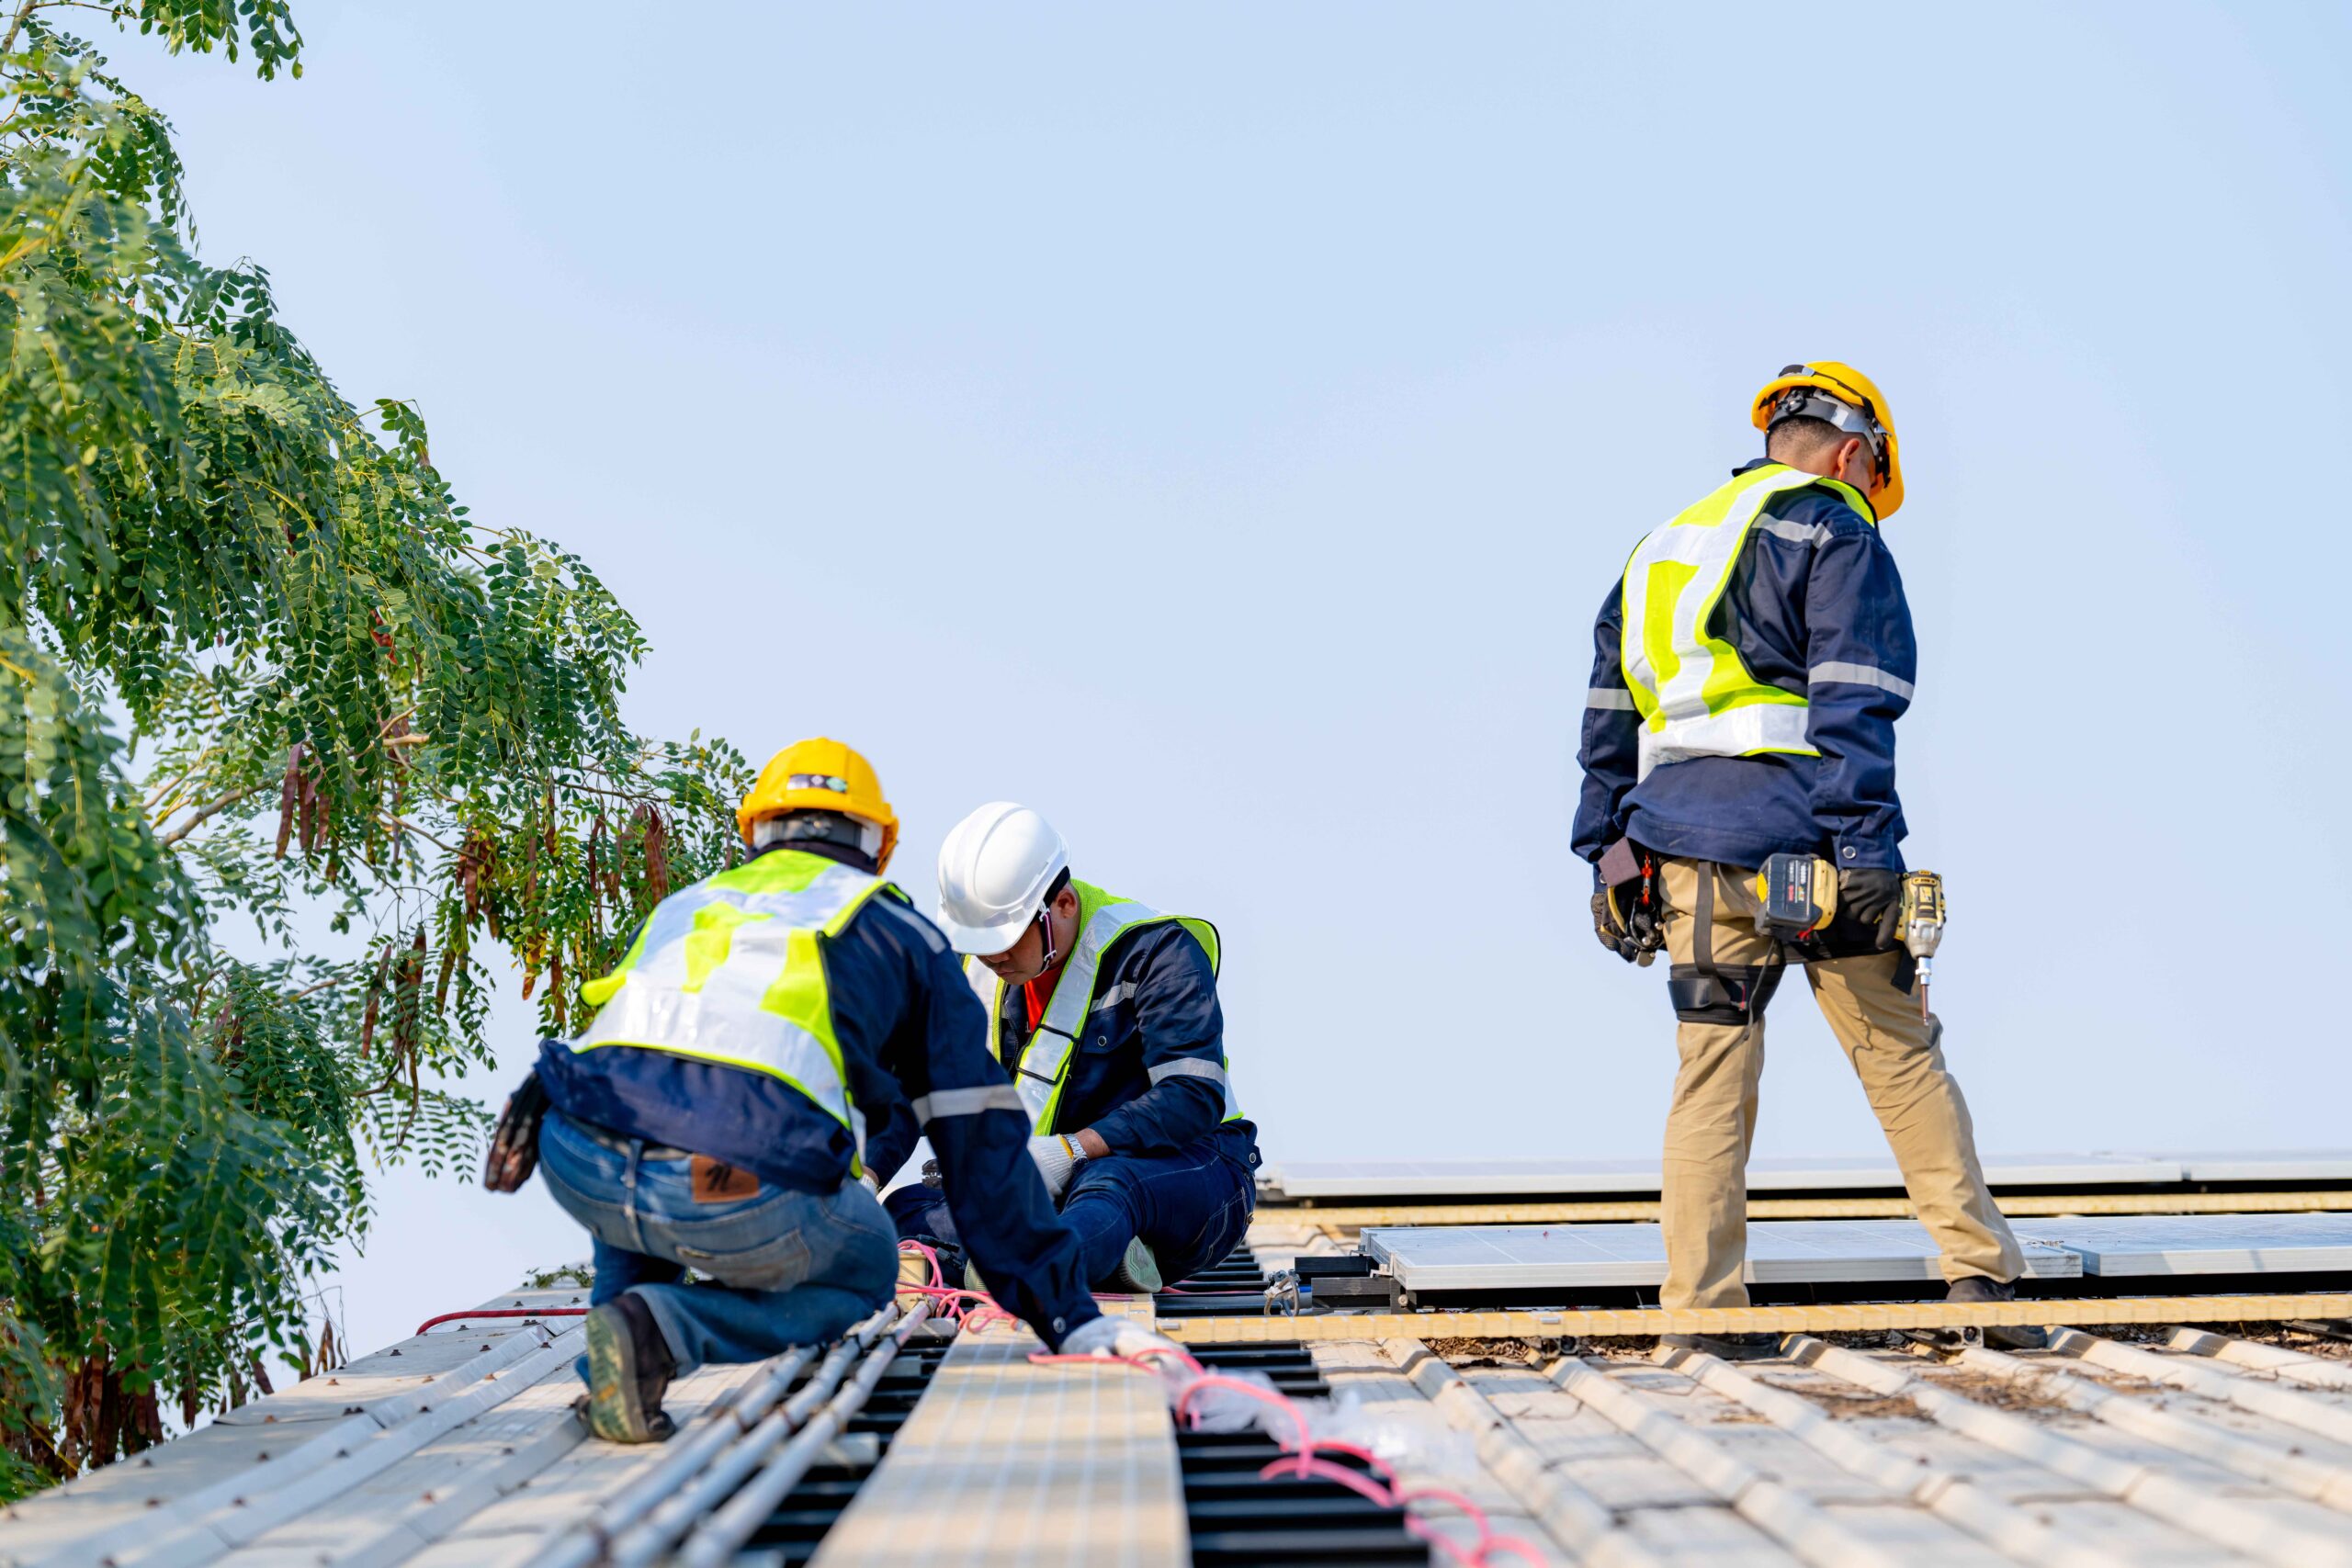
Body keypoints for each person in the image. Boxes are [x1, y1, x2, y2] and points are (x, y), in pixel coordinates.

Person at [488, 739, 1173, 1442]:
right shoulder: (895, 931)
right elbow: (980, 1151)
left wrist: (543, 1086)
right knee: (870, 1259)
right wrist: (1066, 1314)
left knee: (641, 1147)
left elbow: (627, 1051)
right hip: (721, 1184)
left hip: (578, 1156)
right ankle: (660, 1332)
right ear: (878, 846)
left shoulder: (693, 905)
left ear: (753, 830)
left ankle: (621, 1362)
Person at [1573, 364, 2030, 1359]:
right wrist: (1866, 847)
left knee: (1710, 1073)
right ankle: (1978, 1276)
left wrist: (1603, 853)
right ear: (1856, 452)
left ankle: (1699, 1316)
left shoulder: (1660, 547)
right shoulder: (1832, 525)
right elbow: (1854, 696)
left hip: (1681, 847)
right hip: (1812, 840)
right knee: (1896, 1050)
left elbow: (1607, 721)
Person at [884, 802, 1259, 1296]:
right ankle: (1093, 1258)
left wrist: (1069, 1151)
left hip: (1189, 1177)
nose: (993, 956)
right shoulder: (972, 970)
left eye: (1007, 938)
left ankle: (1028, 1263)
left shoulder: (1157, 954)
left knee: (1109, 1188)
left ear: (1062, 904)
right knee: (906, 1210)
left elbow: (1191, 1095)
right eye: (978, 940)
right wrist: (865, 1175)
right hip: (1046, 1192)